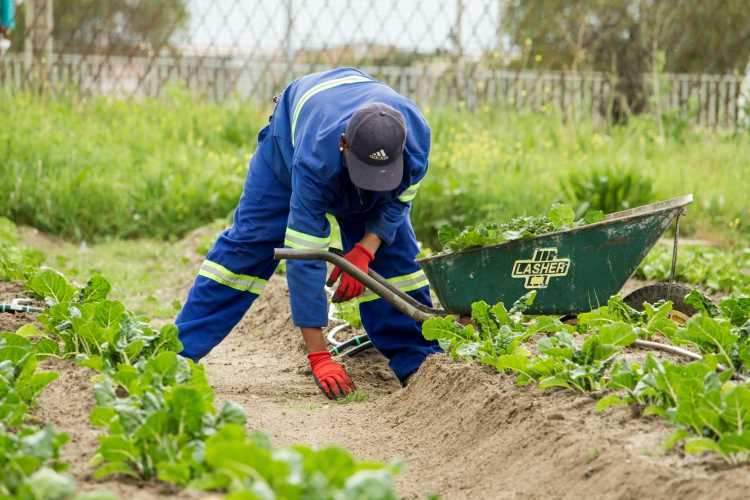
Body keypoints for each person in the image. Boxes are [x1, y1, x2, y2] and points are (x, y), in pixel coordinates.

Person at [175, 67, 441, 400]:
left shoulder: (416, 139)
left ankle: (419, 363)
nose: (370, 185)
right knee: (249, 247)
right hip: (288, 148)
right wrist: (318, 354)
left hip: (354, 136)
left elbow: (398, 202)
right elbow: (305, 257)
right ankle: (178, 353)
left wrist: (366, 250)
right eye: (364, 174)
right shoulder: (316, 158)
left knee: (394, 259)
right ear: (344, 145)